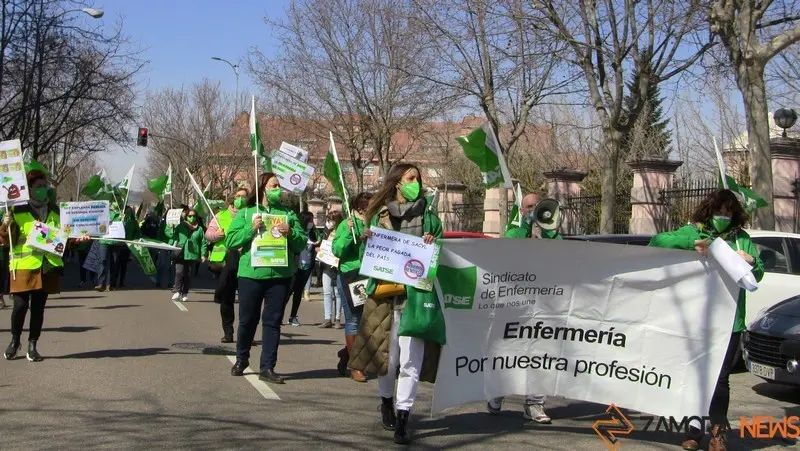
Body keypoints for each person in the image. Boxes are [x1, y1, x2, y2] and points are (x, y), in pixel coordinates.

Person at [649, 189, 763, 451]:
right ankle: (693, 431)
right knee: (696, 376)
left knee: (720, 380)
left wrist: (751, 261)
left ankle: (718, 434)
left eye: (728, 212)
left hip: (731, 322)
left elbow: (758, 274)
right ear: (708, 211)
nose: (723, 216)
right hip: (697, 321)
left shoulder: (741, 239)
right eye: (719, 211)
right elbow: (658, 242)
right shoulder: (694, 233)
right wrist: (693, 245)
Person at [349, 164, 443, 444]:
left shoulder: (429, 216)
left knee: (411, 362)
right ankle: (387, 401)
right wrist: (367, 242)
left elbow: (438, 254)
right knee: (388, 361)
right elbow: (370, 260)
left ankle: (404, 417)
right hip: (385, 297)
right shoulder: (379, 215)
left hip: (416, 297)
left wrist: (432, 242)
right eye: (411, 178)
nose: (417, 183)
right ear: (397, 183)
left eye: (418, 178)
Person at [1, 169, 90, 361]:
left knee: (38, 309)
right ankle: (15, 341)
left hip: (47, 267)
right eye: (39, 186)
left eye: (45, 186)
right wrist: (4, 225)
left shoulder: (55, 210)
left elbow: (63, 237)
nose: (43, 189)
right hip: (23, 267)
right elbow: (6, 240)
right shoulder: (17, 209)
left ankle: (33, 345)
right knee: (19, 306)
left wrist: (78, 239)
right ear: (30, 188)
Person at [226, 172, 307, 384]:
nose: (278, 189)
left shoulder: (288, 214)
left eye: (279, 186)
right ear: (263, 188)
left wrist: (292, 233)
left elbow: (301, 244)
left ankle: (267, 367)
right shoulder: (245, 213)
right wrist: (249, 229)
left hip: (279, 275)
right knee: (247, 320)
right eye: (274, 185)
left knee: (272, 322)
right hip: (251, 275)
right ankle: (242, 358)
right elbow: (231, 241)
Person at [487, 192, 560, 424]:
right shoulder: (514, 232)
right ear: (522, 209)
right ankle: (497, 393)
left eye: (536, 206)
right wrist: (524, 238)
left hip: (544, 303)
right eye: (528, 206)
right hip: (516, 303)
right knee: (511, 353)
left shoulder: (552, 234)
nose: (533, 210)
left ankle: (534, 404)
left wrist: (546, 236)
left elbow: (564, 254)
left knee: (541, 353)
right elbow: (505, 250)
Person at [332, 192, 373, 383]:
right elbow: (337, 250)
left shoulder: (374, 224)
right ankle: (356, 366)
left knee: (370, 322)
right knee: (354, 320)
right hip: (352, 276)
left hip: (370, 276)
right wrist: (349, 233)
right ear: (360, 207)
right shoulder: (346, 224)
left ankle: (346, 353)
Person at [206, 187, 249, 343]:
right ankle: (228, 332)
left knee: (247, 300)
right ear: (232, 198)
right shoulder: (221, 215)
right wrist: (216, 235)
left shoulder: (251, 214)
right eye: (238, 196)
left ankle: (246, 334)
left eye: (244, 197)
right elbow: (208, 234)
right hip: (225, 262)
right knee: (226, 298)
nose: (241, 199)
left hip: (245, 260)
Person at [285, 211, 319, 326]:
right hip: (295, 266)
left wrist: (317, 246)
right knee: (289, 291)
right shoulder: (297, 232)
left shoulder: (313, 233)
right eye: (310, 220)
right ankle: (278, 315)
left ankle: (293, 316)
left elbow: (316, 245)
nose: (311, 223)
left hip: (307, 266)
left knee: (299, 292)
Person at [169, 208, 207, 302]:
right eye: (190, 216)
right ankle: (177, 291)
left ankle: (185, 293)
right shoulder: (180, 226)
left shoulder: (199, 229)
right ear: (186, 217)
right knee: (179, 272)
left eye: (194, 216)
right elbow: (174, 238)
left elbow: (203, 243)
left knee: (188, 274)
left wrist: (203, 254)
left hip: (192, 255)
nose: (192, 217)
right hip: (180, 253)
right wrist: (169, 245)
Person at [318, 211, 343, 329]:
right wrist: (320, 250)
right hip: (326, 265)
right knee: (327, 291)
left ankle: (337, 318)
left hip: (338, 266)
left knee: (338, 293)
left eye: (331, 220)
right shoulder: (326, 232)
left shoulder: (342, 232)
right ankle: (327, 318)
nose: (328, 222)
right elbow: (323, 244)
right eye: (328, 220)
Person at [94, 201, 122, 292]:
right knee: (102, 261)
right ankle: (101, 283)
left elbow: (125, 227)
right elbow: (97, 222)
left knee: (114, 263)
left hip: (115, 242)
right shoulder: (103, 211)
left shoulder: (123, 212)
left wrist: (124, 221)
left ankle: (111, 284)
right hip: (104, 240)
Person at [113, 205, 140, 289]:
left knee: (121, 265)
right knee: (118, 265)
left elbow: (137, 233)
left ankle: (119, 282)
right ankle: (116, 282)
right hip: (120, 245)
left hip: (126, 246)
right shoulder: (121, 220)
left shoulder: (133, 222)